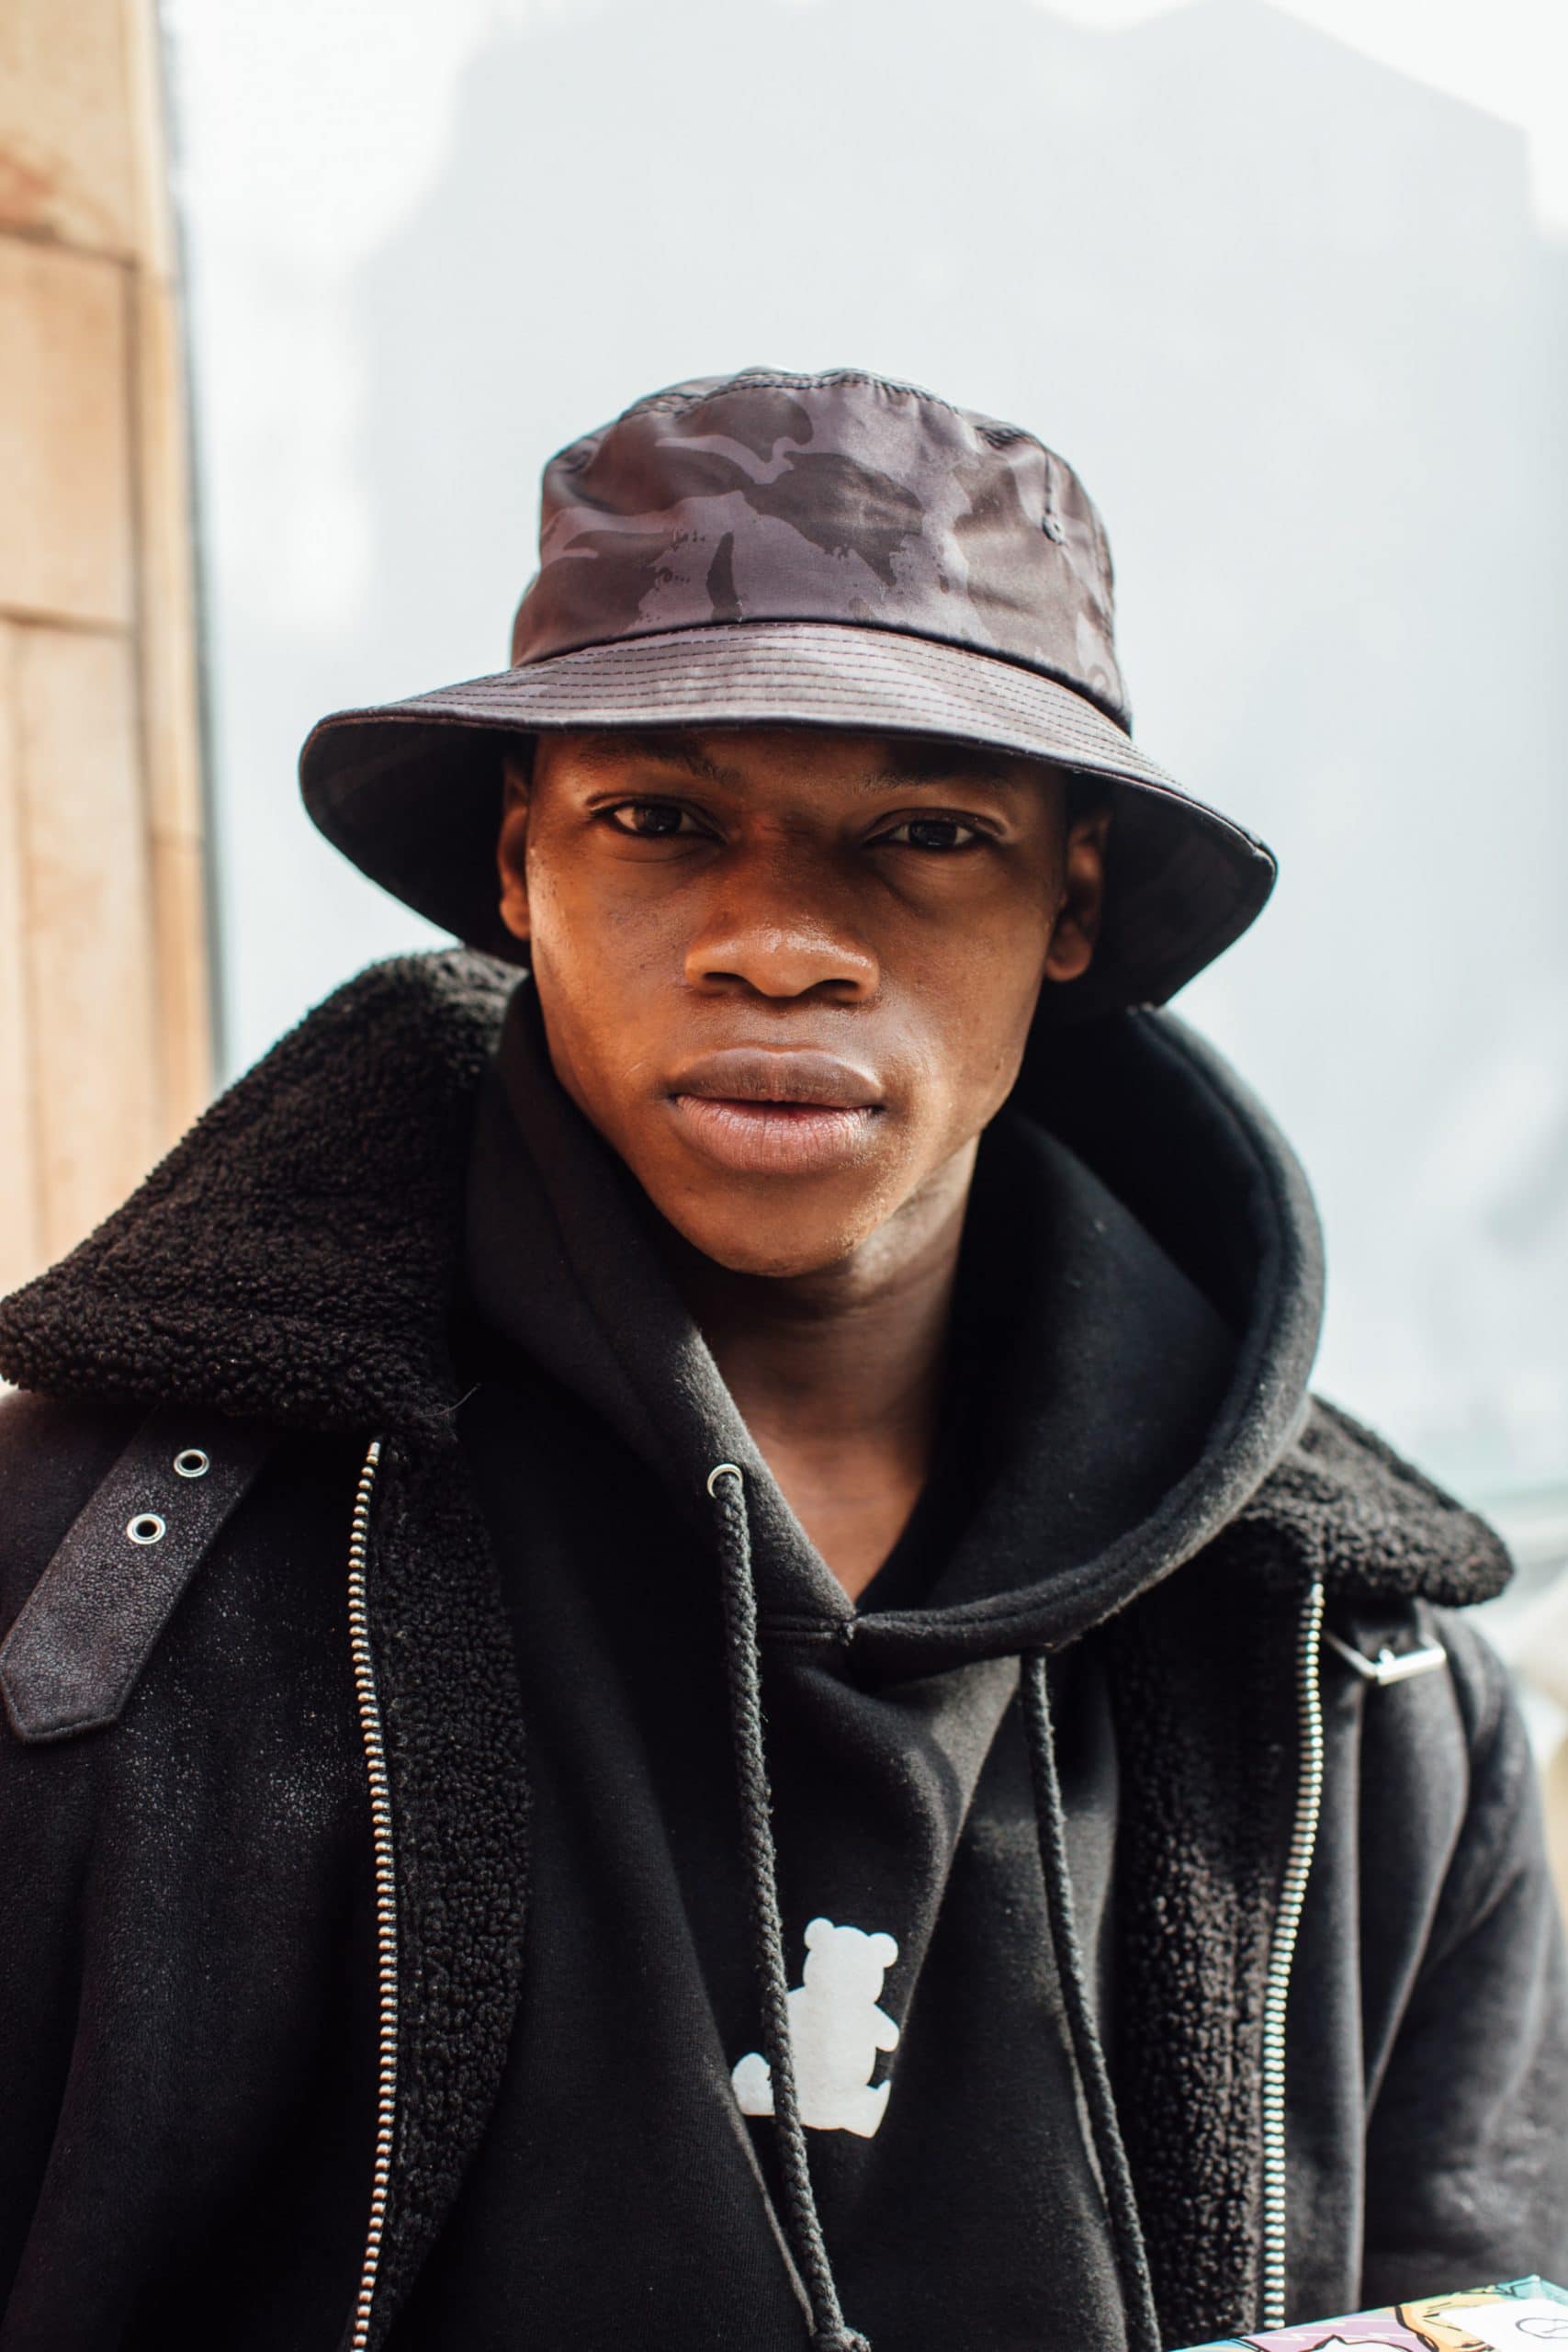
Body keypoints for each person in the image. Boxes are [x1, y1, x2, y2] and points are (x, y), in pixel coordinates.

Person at [0, 365, 1562, 2352]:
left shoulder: (1360, 1683)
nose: (779, 940)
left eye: (925, 831)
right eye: (658, 819)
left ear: (1070, 899)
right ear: (519, 865)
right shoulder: (88, 1602)